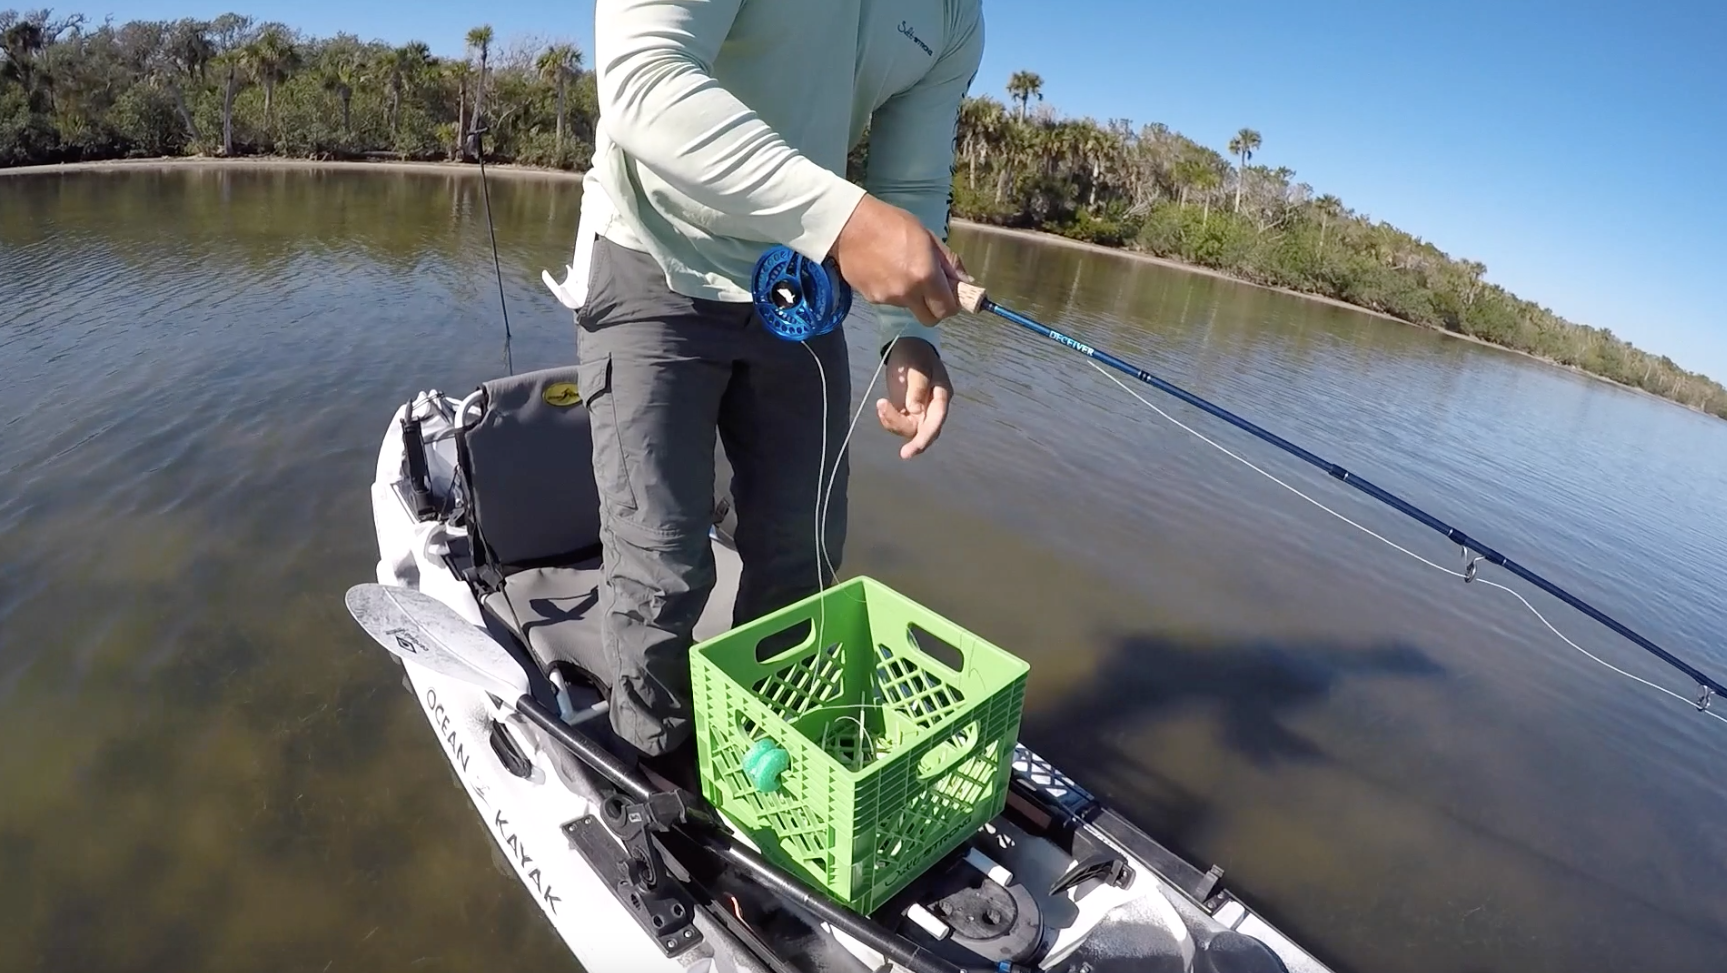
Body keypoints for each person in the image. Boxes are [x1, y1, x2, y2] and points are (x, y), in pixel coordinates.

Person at [548, 0, 984, 767]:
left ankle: (768, 755)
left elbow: (909, 181)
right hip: (651, 255)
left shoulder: (953, 15)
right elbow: (643, 79)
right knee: (661, 569)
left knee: (803, 550)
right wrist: (845, 222)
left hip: (797, 287)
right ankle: (650, 765)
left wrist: (907, 333)